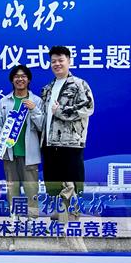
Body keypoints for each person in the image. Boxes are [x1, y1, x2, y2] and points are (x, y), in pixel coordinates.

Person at [41, 45, 95, 225]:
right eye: (53, 61)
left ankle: (71, 216)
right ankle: (59, 214)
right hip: (49, 143)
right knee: (52, 181)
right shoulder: (48, 88)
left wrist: (60, 111)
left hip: (70, 142)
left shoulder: (79, 84)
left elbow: (88, 107)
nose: (57, 64)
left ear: (69, 61)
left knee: (71, 180)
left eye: (60, 60)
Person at [0, 65, 44, 219]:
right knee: (12, 190)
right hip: (10, 154)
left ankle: (33, 220)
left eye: (23, 76)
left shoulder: (36, 101)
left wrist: (34, 109)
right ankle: (14, 220)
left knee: (32, 190)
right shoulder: (4, 102)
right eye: (16, 76)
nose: (20, 79)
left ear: (28, 79)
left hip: (30, 154)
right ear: (12, 80)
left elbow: (43, 126)